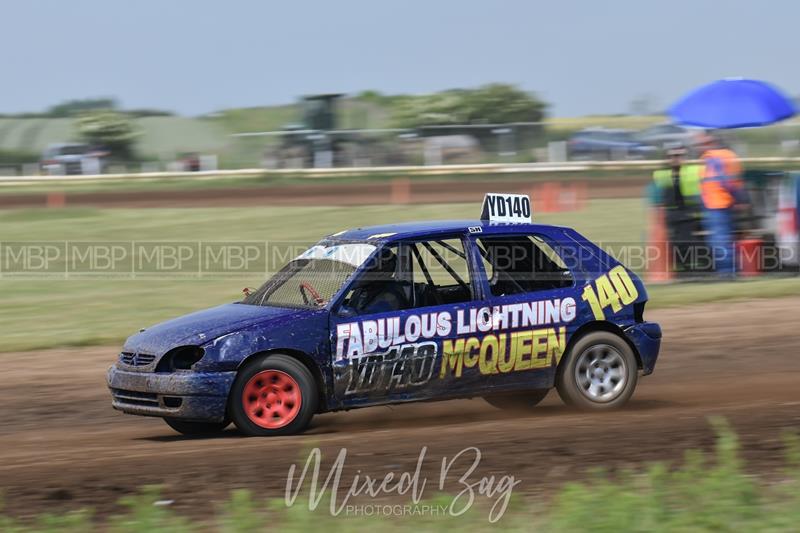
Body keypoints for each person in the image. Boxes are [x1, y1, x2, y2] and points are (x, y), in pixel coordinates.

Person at [698, 134, 746, 277]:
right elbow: (734, 181)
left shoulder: (714, 158)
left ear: (712, 142)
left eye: (704, 142)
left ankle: (727, 274)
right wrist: (739, 199)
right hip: (718, 204)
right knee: (721, 240)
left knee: (720, 241)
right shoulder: (728, 155)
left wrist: (737, 198)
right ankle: (730, 271)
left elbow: (726, 182)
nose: (700, 146)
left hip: (717, 205)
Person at [651, 144, 704, 274]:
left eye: (680, 156)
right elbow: (657, 197)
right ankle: (683, 266)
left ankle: (692, 265)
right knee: (677, 241)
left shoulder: (695, 170)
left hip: (691, 211)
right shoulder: (660, 174)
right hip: (673, 212)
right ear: (667, 158)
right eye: (673, 156)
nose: (676, 159)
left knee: (687, 239)